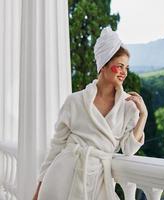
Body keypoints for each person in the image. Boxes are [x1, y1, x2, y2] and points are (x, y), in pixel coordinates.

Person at [33, 26, 147, 200]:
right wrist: (38, 190)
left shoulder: (128, 106)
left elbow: (129, 149)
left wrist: (143, 116)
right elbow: (56, 147)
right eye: (119, 66)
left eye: (127, 68)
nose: (124, 72)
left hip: (98, 182)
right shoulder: (75, 101)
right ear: (103, 65)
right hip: (61, 178)